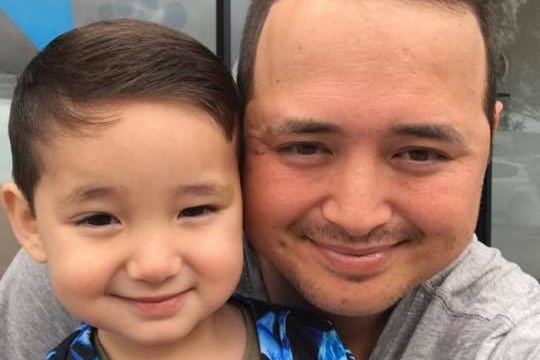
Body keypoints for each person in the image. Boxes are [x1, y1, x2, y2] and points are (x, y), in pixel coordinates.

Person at [1, 0, 540, 359]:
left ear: (490, 136)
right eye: (303, 146)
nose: (356, 215)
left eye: (420, 153)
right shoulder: (72, 272)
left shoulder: (506, 337)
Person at [0, 19, 354, 360]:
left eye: (196, 210)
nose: (155, 266)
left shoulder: (312, 344)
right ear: (30, 223)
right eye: (99, 219)